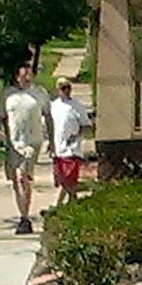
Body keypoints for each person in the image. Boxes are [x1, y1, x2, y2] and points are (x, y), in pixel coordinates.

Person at [0, 63, 53, 235]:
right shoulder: (8, 95)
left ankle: (24, 217)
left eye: (29, 74)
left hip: (33, 142)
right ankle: (23, 216)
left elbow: (48, 117)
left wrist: (52, 140)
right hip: (13, 143)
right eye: (23, 75)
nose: (26, 77)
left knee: (22, 178)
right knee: (16, 179)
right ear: (17, 76)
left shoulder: (39, 93)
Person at [47, 78, 91, 207]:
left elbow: (86, 125)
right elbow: (47, 126)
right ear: (57, 90)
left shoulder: (77, 106)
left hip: (72, 149)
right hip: (57, 149)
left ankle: (58, 205)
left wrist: (77, 136)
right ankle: (73, 204)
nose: (65, 91)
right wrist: (50, 143)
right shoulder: (52, 106)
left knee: (69, 179)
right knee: (63, 180)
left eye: (67, 87)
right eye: (62, 88)